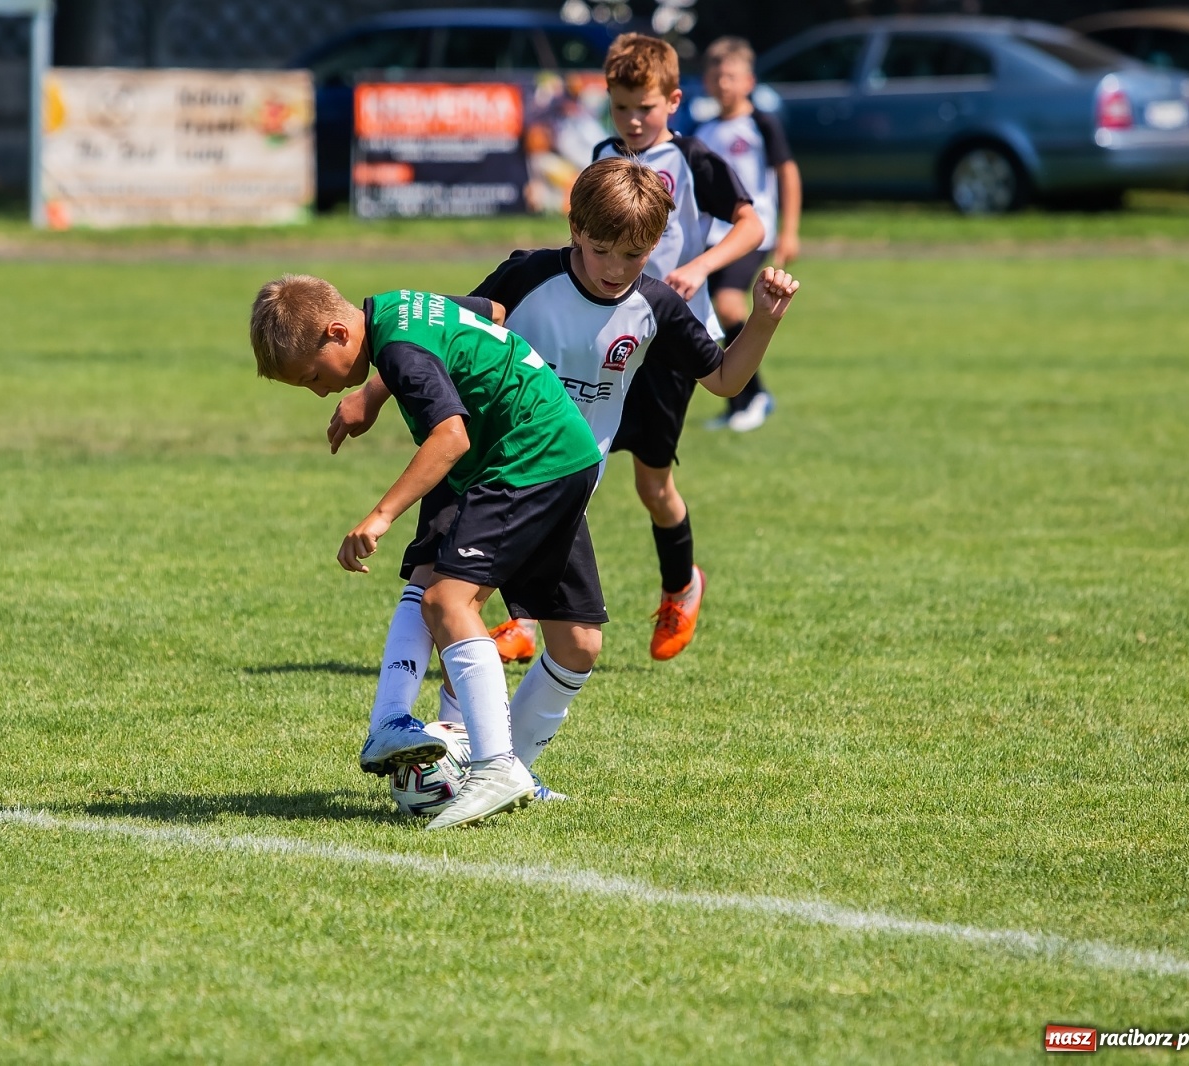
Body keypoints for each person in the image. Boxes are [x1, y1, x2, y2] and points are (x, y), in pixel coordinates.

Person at [330, 159, 801, 796]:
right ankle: (442, 761)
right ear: (574, 227)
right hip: (485, 464)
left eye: (633, 254)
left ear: (655, 246)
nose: (613, 267)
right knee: (449, 595)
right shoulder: (528, 276)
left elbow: (723, 379)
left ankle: (507, 770)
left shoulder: (655, 305)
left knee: (577, 643)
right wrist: (376, 393)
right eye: (601, 248)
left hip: (560, 485)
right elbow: (441, 336)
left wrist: (765, 320)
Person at [251, 277, 605, 829]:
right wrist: (373, 392)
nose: (320, 392)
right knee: (577, 642)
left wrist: (380, 514)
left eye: (313, 377)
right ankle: (483, 758)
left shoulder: (397, 349)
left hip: (526, 453)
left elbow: (450, 436)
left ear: (337, 333)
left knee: (445, 601)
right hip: (561, 448)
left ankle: (495, 767)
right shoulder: (398, 308)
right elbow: (489, 310)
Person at [523, 31, 764, 665]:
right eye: (622, 105)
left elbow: (752, 223)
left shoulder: (693, 160)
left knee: (652, 486)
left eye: (645, 108)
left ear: (673, 101)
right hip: (603, 337)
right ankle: (525, 616)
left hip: (668, 342)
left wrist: (701, 267)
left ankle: (681, 586)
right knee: (564, 469)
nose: (632, 120)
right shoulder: (602, 158)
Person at [694, 36, 802, 433]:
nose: (724, 83)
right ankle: (737, 402)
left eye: (732, 76)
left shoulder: (761, 124)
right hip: (712, 239)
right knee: (713, 321)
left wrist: (789, 231)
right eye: (718, 75)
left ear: (749, 81)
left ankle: (755, 395)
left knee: (728, 305)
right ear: (707, 80)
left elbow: (787, 174)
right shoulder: (702, 131)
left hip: (752, 234)